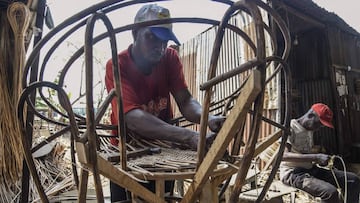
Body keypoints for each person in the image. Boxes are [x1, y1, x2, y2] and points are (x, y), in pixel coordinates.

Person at [105, 4, 224, 202]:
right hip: (127, 152)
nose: (160, 46)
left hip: (163, 148)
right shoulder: (118, 65)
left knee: (163, 198)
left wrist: (208, 118)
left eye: (164, 40)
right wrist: (188, 137)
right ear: (135, 34)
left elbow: (185, 101)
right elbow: (132, 118)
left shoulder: (170, 58)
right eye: (152, 38)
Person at [280, 103, 360, 203]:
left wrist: (320, 160)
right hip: (293, 173)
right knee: (330, 192)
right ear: (310, 116)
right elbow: (283, 156)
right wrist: (316, 157)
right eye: (318, 124)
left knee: (353, 180)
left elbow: (306, 154)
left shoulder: (309, 129)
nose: (318, 128)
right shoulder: (290, 127)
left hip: (311, 170)